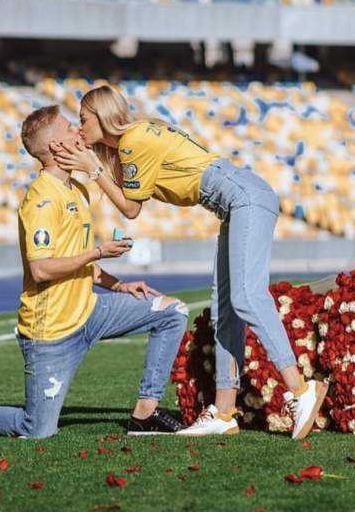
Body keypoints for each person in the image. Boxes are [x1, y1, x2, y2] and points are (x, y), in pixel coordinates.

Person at [50, 85, 328, 440]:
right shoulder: (133, 139)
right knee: (225, 309)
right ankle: (225, 413)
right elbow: (126, 190)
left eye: (83, 118)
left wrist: (92, 169)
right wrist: (88, 160)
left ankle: (301, 391)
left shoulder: (134, 139)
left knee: (246, 296)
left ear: (102, 115)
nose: (80, 124)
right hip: (236, 200)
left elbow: (131, 209)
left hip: (242, 197)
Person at [0, 105, 189, 439]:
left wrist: (120, 285)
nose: (77, 131)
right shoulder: (40, 199)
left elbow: (81, 264)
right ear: (55, 147)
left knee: (172, 311)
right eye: (70, 128)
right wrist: (97, 251)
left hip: (91, 310)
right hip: (51, 332)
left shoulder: (76, 190)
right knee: (37, 429)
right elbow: (40, 269)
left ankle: (145, 414)